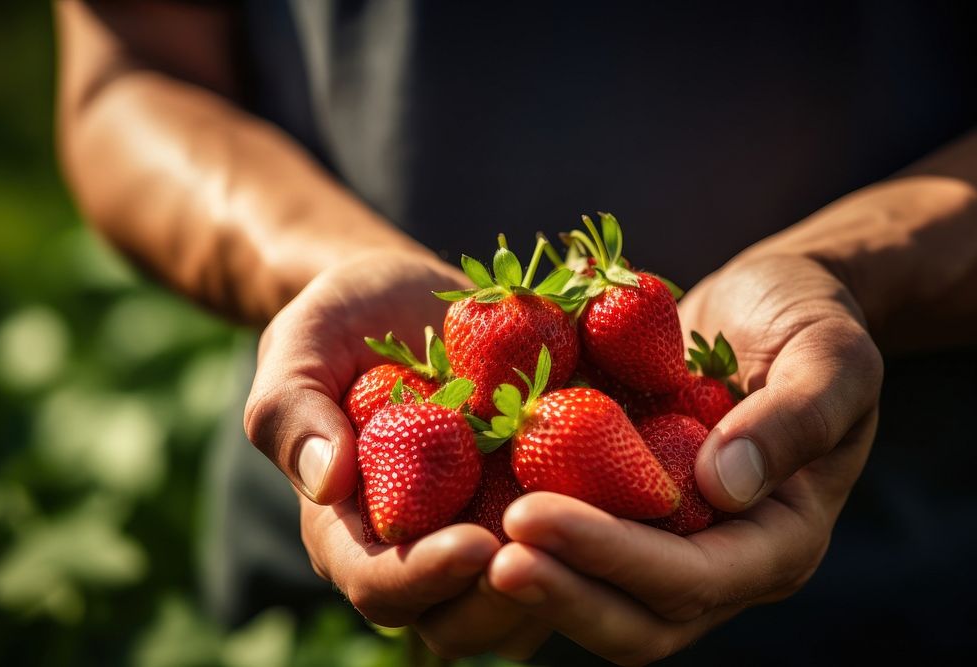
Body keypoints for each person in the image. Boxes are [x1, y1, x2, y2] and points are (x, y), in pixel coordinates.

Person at [56, 1, 977, 663]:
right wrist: (324, 265)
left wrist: (855, 273)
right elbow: (128, 73)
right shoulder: (474, 417)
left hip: (887, 578)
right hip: (329, 581)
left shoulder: (589, 412)